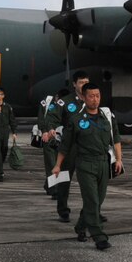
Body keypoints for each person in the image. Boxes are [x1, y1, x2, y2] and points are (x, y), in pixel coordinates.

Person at [52, 82, 123, 250]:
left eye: (98, 96)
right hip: (85, 164)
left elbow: (116, 139)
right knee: (91, 200)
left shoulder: (107, 116)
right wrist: (57, 165)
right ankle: (99, 237)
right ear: (83, 97)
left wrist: (119, 159)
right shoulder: (76, 120)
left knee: (98, 200)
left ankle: (80, 227)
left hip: (103, 163)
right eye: (91, 96)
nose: (95, 99)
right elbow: (65, 146)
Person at [43, 71, 89, 222]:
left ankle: (93, 211)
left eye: (86, 82)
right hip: (69, 147)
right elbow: (51, 116)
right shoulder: (65, 102)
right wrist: (51, 128)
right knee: (64, 180)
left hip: (87, 148)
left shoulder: (92, 99)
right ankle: (63, 210)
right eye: (81, 82)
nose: (84, 85)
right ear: (75, 84)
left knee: (90, 182)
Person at [37, 87, 69, 198]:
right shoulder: (46, 103)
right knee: (51, 163)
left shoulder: (68, 107)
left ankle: (48, 185)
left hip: (62, 138)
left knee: (59, 164)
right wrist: (45, 131)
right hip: (50, 137)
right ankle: (54, 190)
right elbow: (42, 118)